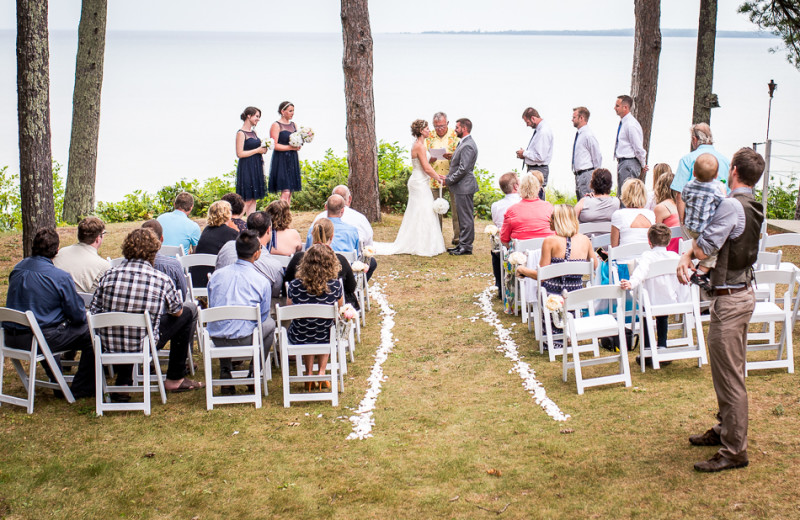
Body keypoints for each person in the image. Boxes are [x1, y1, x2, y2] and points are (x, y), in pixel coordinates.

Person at [677, 147, 764, 473]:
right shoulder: (751, 203)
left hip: (730, 300)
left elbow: (703, 246)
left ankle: (734, 450)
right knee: (731, 372)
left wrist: (687, 255)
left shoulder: (730, 205)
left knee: (729, 378)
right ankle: (724, 430)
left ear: (735, 172)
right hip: (739, 293)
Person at [91, 229, 203, 394]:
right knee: (187, 312)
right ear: (155, 250)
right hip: (144, 342)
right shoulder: (160, 279)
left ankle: (123, 381)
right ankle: (175, 377)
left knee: (128, 326)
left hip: (108, 343)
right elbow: (176, 312)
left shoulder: (108, 275)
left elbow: (94, 310)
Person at [5, 228, 96, 399]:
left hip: (10, 338)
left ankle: (57, 380)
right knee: (91, 333)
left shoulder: (17, 269)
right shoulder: (59, 277)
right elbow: (77, 315)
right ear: (56, 250)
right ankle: (81, 387)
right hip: (38, 339)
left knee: (48, 328)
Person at [207, 230, 276, 394]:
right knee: (270, 324)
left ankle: (225, 371)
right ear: (257, 253)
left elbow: (212, 305)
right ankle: (254, 371)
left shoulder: (216, 276)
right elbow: (263, 317)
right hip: (246, 338)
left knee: (223, 320)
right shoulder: (261, 280)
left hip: (217, 338)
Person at [516, 205, 598, 340]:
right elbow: (594, 265)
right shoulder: (585, 240)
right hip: (577, 295)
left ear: (560, 220)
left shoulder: (550, 241)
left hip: (553, 298)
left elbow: (542, 276)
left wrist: (522, 270)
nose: (549, 220)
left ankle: (553, 336)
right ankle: (572, 334)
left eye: (553, 217)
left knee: (542, 288)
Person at [373, 119, 446, 257]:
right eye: (426, 129)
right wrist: (438, 177)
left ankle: (423, 241)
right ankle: (420, 244)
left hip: (420, 180)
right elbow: (425, 167)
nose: (429, 131)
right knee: (422, 210)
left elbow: (426, 163)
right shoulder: (419, 146)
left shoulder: (420, 145)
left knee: (422, 210)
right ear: (420, 131)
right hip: (419, 181)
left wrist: (435, 173)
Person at [620, 224, 687, 365]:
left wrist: (632, 283)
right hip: (671, 301)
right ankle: (662, 345)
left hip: (651, 301)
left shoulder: (647, 256)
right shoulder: (674, 256)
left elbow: (641, 271)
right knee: (663, 316)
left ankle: (648, 348)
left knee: (644, 312)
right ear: (669, 241)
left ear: (649, 241)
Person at [286, 244, 344, 392]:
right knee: (327, 327)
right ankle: (322, 372)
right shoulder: (335, 286)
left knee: (307, 325)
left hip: (300, 336)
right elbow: (340, 310)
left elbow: (289, 309)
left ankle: (309, 373)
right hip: (325, 335)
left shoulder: (294, 286)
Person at [285, 218, 359, 310]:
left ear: (313, 234)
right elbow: (351, 288)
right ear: (331, 237)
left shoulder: (298, 258)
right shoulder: (340, 261)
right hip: (329, 320)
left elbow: (286, 286)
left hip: (300, 319)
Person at [679, 153, 727, 291]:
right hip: (705, 228)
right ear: (716, 175)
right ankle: (701, 273)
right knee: (715, 249)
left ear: (693, 172)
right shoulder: (715, 189)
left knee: (699, 245)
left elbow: (684, 197)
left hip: (691, 227)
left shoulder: (688, 185)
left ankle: (696, 250)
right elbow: (723, 204)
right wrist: (723, 191)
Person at [216, 211, 284, 299]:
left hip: (220, 307)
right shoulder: (275, 267)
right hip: (255, 309)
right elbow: (274, 295)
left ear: (247, 228)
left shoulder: (227, 246)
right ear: (268, 229)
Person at [671, 123, 730, 208]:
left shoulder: (687, 160)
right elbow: (729, 193)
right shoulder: (725, 161)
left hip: (694, 215)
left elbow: (680, 194)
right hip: (719, 215)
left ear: (694, 139)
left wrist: (682, 220)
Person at [445, 118, 479, 255]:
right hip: (461, 186)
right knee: (462, 217)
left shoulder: (468, 145)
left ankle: (466, 247)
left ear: (464, 128)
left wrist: (449, 180)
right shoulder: (463, 143)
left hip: (464, 187)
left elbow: (463, 168)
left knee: (465, 218)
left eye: (457, 127)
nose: (455, 129)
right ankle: (462, 245)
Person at [426, 111, 461, 243]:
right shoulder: (428, 137)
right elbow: (423, 156)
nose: (439, 129)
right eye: (436, 127)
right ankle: (437, 238)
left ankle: (457, 237)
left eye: (442, 126)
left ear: (447, 123)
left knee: (456, 209)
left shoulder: (455, 135)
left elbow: (462, 154)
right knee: (435, 209)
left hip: (452, 177)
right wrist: (431, 158)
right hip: (435, 177)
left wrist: (452, 155)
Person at [53, 216, 110, 293]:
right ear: (98, 238)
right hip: (79, 303)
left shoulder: (61, 252)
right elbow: (95, 297)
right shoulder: (103, 266)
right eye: (103, 233)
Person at [192, 200, 239, 288]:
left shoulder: (206, 230)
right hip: (214, 279)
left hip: (196, 277)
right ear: (227, 214)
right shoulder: (231, 233)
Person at [499, 172, 554, 246]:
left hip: (521, 255)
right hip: (547, 250)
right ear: (538, 189)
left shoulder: (512, 210)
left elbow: (504, 240)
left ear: (520, 189)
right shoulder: (549, 207)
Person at [141, 219, 190, 301]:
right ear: (162, 239)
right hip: (167, 310)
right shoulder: (173, 265)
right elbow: (182, 295)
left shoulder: (125, 265)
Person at [490, 172, 521, 295]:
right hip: (521, 243)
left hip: (505, 245)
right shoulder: (521, 202)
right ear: (516, 186)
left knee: (495, 251)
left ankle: (500, 284)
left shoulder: (496, 206)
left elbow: (497, 224)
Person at [235, 106, 267, 217]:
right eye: (257, 116)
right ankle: (234, 223)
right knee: (247, 200)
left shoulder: (254, 132)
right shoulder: (241, 133)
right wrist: (257, 150)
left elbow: (257, 149)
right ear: (249, 116)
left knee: (253, 200)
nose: (258, 119)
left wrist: (264, 149)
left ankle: (251, 227)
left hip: (256, 167)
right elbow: (240, 153)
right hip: (247, 168)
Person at [268, 101, 302, 204]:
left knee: (290, 190)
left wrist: (298, 144)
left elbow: (298, 140)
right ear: (283, 111)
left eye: (293, 111)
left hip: (292, 159)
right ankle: (280, 216)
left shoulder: (294, 125)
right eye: (290, 111)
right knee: (285, 191)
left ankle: (286, 216)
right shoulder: (276, 125)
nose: (292, 113)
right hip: (281, 159)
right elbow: (275, 145)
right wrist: (291, 147)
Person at [516, 107, 552, 200]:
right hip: (536, 169)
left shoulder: (543, 132)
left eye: (527, 122)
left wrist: (524, 153)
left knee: (536, 198)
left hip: (539, 170)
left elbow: (541, 157)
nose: (527, 125)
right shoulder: (540, 130)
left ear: (533, 118)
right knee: (532, 198)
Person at [613, 95, 647, 189]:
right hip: (623, 163)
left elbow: (638, 147)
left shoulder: (631, 124)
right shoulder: (625, 123)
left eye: (617, 106)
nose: (614, 108)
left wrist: (643, 163)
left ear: (625, 107)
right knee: (622, 195)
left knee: (626, 196)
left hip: (628, 163)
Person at [610, 178, 654, 248]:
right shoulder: (651, 215)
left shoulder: (618, 215)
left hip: (625, 258)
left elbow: (614, 247)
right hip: (648, 258)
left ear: (625, 194)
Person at [570, 106, 603, 200]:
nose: (572, 120)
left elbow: (597, 156)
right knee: (581, 202)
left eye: (574, 117)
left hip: (586, 174)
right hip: (579, 175)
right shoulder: (580, 135)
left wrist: (595, 176)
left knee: (588, 203)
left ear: (581, 118)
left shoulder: (588, 135)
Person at [652, 172, 681, 253]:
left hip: (670, 249)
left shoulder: (661, 207)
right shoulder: (683, 205)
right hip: (685, 248)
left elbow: (655, 236)